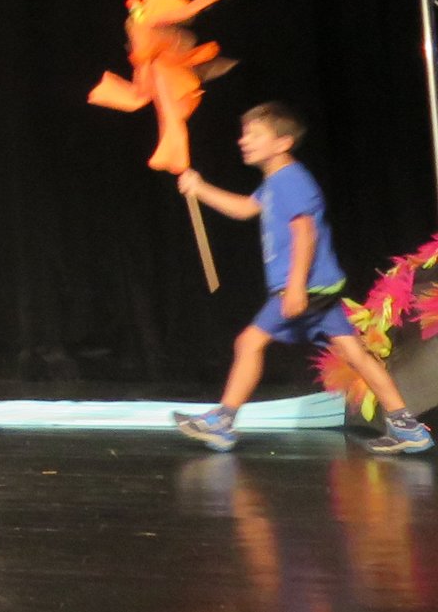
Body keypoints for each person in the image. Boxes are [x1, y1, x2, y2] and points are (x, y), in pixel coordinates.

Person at [174, 102, 432, 454]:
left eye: (254, 134)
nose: (243, 141)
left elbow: (305, 232)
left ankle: (222, 422)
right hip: (320, 287)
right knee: (355, 355)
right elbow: (246, 208)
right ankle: (407, 427)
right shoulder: (275, 183)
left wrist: (296, 287)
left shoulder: (290, 180)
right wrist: (200, 188)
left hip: (306, 287)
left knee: (249, 343)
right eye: (244, 133)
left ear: (282, 143)